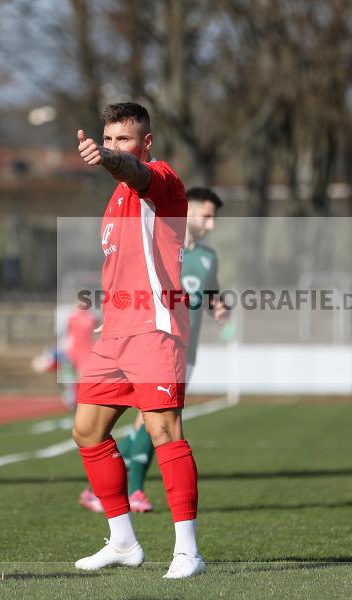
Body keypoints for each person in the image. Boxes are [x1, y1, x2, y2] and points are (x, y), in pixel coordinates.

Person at [71, 102, 203, 579]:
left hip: (155, 327)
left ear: (146, 144)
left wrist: (111, 161)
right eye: (107, 140)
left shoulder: (160, 181)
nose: (113, 149)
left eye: (123, 140)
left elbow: (134, 172)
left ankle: (188, 551)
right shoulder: (114, 201)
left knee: (164, 432)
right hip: (117, 334)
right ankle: (123, 541)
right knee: (87, 431)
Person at [80, 187, 228, 514]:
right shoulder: (159, 246)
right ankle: (131, 490)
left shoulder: (207, 258)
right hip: (152, 344)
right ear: (186, 211)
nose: (211, 225)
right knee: (151, 424)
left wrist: (219, 306)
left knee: (149, 424)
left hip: (184, 350)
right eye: (206, 216)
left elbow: (212, 291)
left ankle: (102, 489)